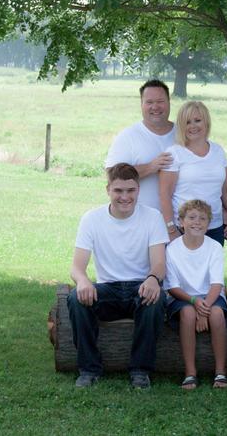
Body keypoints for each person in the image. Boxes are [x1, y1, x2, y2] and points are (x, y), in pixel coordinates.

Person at [67, 163, 168, 389]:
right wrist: (83, 281)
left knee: (156, 298)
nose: (125, 197)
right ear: (108, 190)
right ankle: (89, 369)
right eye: (118, 190)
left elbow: (159, 263)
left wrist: (153, 279)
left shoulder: (153, 217)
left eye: (131, 190)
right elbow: (76, 267)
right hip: (107, 289)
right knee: (75, 298)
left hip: (140, 287)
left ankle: (140, 371)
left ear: (138, 190)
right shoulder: (91, 219)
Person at [164, 199, 227, 390]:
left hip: (211, 296)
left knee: (217, 314)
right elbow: (172, 287)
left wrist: (203, 310)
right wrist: (194, 302)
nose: (197, 222)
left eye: (203, 218)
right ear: (181, 222)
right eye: (192, 217)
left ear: (208, 224)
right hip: (183, 297)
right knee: (187, 313)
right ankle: (190, 373)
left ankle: (220, 371)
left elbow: (217, 284)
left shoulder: (214, 247)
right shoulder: (172, 249)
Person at [159, 101, 227, 245]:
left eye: (197, 120)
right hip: (184, 229)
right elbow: (164, 194)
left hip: (215, 227)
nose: (193, 126)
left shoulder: (218, 151)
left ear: (206, 122)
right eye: (187, 122)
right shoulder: (174, 153)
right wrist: (171, 229)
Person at [105, 80, 176, 211]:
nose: (155, 107)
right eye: (149, 102)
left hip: (183, 219)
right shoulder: (128, 136)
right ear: (141, 104)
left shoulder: (185, 134)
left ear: (169, 102)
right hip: (141, 218)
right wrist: (150, 167)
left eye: (160, 101)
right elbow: (111, 174)